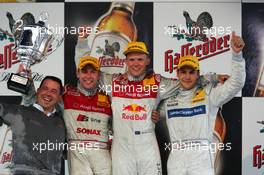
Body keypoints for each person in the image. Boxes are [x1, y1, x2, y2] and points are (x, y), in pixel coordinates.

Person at [75, 37, 220, 174]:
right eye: (131, 59)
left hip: (147, 145)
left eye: (140, 59)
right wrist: (82, 43)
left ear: (147, 61)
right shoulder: (113, 82)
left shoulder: (158, 83)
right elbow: (88, 73)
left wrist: (212, 77)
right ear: (125, 61)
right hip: (122, 146)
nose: (135, 63)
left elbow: (186, 80)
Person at [157, 31, 245, 175]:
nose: (187, 76)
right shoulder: (168, 99)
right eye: (183, 72)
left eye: (191, 72)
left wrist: (237, 56)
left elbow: (236, 83)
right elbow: (149, 110)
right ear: (177, 73)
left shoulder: (209, 94)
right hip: (176, 159)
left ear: (198, 74)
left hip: (201, 159)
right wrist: (153, 114)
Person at [22, 56, 112, 175]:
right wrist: (26, 81)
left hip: (102, 153)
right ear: (77, 73)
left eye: (93, 72)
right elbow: (36, 101)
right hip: (77, 154)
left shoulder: (108, 98)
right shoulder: (66, 94)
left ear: (99, 75)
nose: (88, 76)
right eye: (84, 71)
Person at [0, 76, 65, 175]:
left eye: (54, 91)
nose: (48, 93)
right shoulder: (19, 112)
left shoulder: (63, 122)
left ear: (60, 97)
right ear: (38, 91)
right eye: (45, 88)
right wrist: (19, 78)